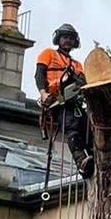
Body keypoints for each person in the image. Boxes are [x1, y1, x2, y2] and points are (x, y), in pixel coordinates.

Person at [34, 24, 94, 178]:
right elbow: (39, 75)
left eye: (71, 38)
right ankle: (80, 160)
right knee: (71, 125)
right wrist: (43, 93)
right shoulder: (48, 54)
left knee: (88, 127)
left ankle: (93, 156)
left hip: (72, 101)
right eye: (65, 37)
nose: (68, 41)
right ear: (58, 39)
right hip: (56, 101)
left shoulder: (76, 65)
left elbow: (81, 83)